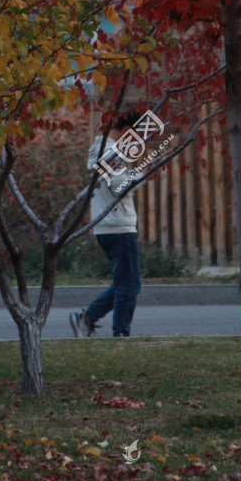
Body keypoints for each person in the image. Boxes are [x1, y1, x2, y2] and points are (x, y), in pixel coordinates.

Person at [70, 111, 141, 338]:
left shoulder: (100, 149)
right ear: (127, 129)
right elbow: (120, 186)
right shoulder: (112, 152)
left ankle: (88, 317)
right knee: (129, 286)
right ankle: (120, 334)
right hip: (118, 225)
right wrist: (139, 175)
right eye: (135, 134)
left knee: (127, 282)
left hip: (106, 225)